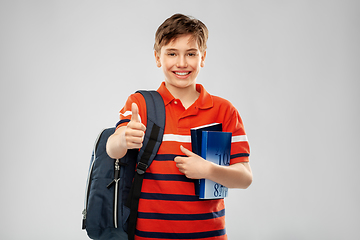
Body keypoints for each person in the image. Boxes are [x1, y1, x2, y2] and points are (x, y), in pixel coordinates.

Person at [106, 13, 252, 240]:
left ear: (202, 57)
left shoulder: (224, 111)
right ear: (157, 57)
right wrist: (124, 138)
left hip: (209, 235)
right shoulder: (140, 104)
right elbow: (112, 149)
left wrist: (208, 170)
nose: (182, 63)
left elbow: (245, 178)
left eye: (191, 54)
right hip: (148, 236)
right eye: (172, 53)